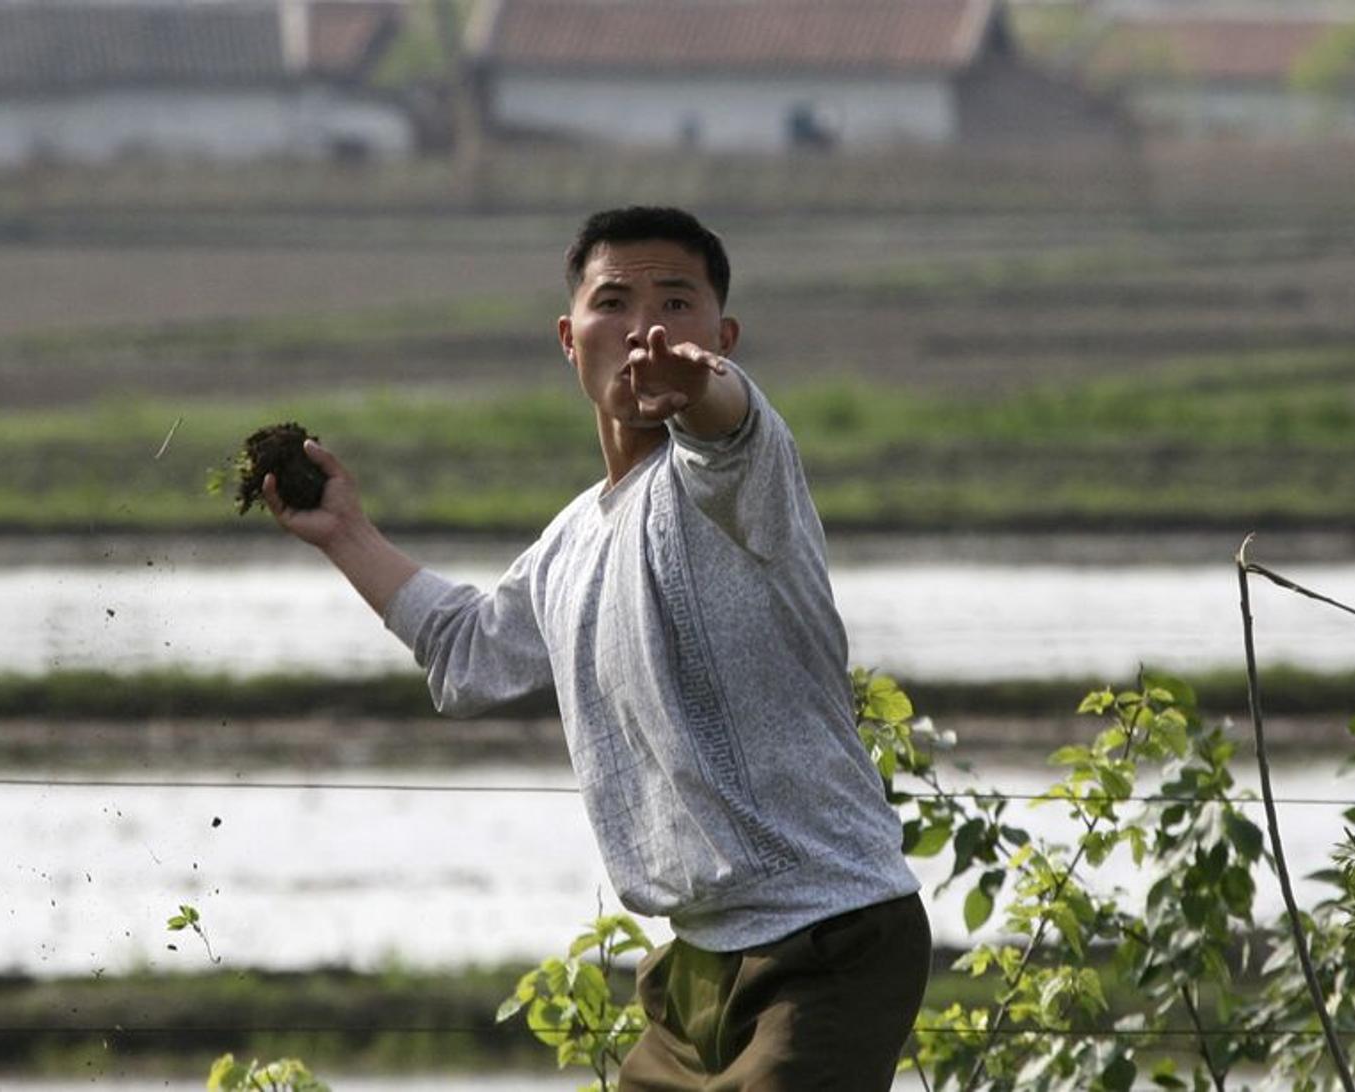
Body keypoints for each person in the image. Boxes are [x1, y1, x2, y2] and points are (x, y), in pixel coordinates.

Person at [264, 206, 930, 1089]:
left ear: (722, 335)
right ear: (570, 341)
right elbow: (467, 652)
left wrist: (702, 388)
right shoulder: (574, 541)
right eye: (612, 301)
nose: (645, 328)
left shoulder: (738, 466)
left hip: (832, 940)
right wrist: (347, 532)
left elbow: (725, 421)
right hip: (696, 964)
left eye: (676, 303)